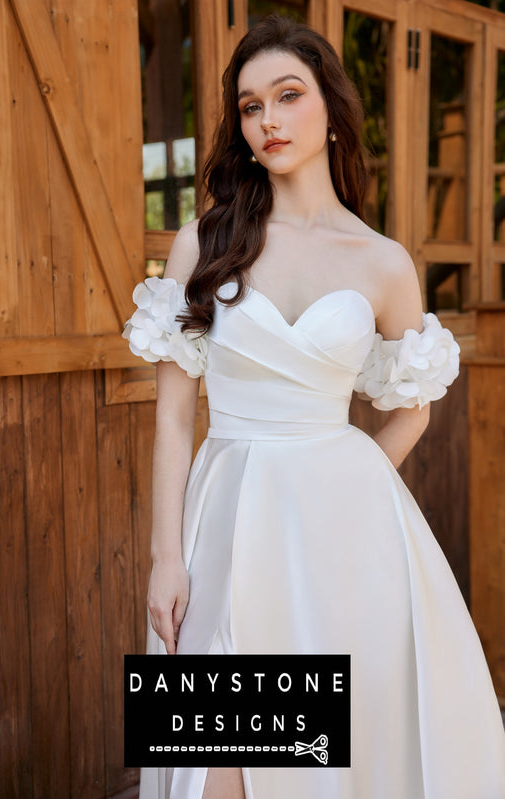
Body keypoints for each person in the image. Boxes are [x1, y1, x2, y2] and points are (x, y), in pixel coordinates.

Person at [123, 14, 505, 799]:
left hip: (346, 536)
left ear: (329, 108)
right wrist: (164, 556)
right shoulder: (203, 241)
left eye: (286, 96)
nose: (266, 120)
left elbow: (413, 407)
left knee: (334, 763)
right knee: (211, 773)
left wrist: (355, 475)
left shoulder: (382, 261)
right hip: (225, 519)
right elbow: (170, 415)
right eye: (249, 105)